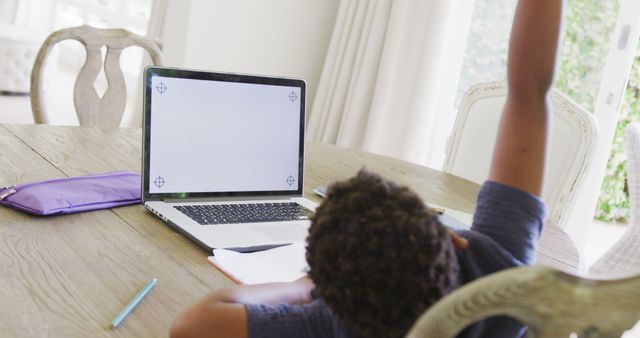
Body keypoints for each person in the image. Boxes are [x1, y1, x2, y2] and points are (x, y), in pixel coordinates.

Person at [169, 0, 563, 336]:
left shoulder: (329, 325)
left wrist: (303, 289)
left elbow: (190, 325)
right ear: (451, 237)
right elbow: (528, 91)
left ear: (334, 297)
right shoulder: (503, 273)